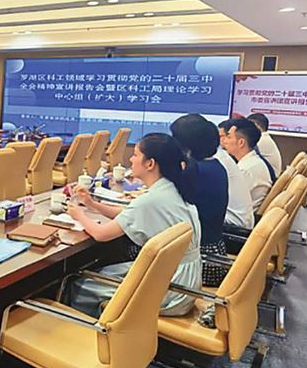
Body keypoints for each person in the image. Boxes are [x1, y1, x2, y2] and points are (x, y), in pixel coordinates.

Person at [64, 133, 202, 317]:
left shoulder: (151, 200)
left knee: (81, 284)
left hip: (171, 290)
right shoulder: (171, 188)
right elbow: (129, 214)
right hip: (185, 280)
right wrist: (92, 204)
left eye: (135, 154)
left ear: (150, 163)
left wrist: (79, 215)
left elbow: (101, 234)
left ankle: (87, 329)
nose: (131, 159)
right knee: (105, 271)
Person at [170, 114, 229, 287]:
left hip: (200, 262)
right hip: (215, 253)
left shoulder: (196, 171)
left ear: (186, 145)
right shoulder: (215, 166)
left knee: (130, 247)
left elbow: (169, 206)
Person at [222, 118, 273, 211]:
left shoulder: (245, 170)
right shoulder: (253, 161)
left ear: (241, 142)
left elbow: (229, 202)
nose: (225, 141)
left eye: (228, 137)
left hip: (241, 217)